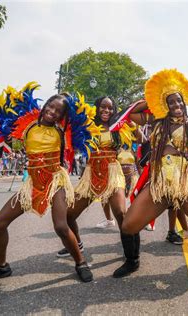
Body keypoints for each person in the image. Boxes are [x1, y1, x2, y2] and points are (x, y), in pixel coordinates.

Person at [0, 85, 98, 285]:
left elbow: (85, 129)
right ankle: (1, 267)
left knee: (60, 226)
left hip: (55, 181)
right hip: (33, 183)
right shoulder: (26, 124)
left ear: (62, 116)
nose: (52, 112)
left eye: (58, 111)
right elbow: (5, 121)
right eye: (51, 106)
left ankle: (81, 263)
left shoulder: (64, 132)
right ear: (45, 104)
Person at [114, 69, 188, 281]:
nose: (177, 105)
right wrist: (155, 101)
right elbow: (131, 114)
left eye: (179, 101)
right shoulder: (156, 122)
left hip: (185, 181)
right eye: (172, 102)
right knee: (129, 225)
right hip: (159, 183)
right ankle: (132, 261)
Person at [56, 97, 132, 257]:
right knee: (69, 214)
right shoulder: (88, 125)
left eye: (110, 108)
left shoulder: (118, 126)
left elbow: (139, 137)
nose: (106, 110)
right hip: (91, 174)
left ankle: (130, 250)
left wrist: (132, 122)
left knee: (120, 213)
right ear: (96, 108)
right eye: (103, 107)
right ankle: (76, 243)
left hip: (113, 172)